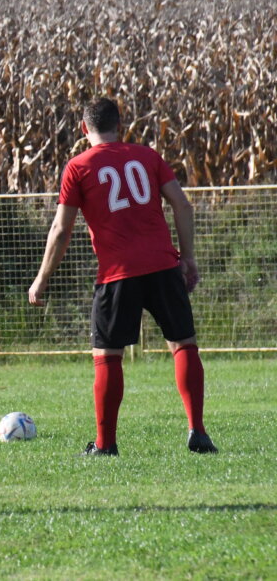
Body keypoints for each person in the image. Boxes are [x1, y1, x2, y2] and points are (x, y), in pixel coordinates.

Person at [28, 97, 218, 457]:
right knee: (183, 344)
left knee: (108, 355)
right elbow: (182, 204)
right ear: (121, 124)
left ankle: (105, 444)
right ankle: (198, 431)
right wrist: (188, 257)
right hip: (163, 266)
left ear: (84, 128)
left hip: (117, 273)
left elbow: (60, 229)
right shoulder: (147, 156)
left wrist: (41, 279)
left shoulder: (78, 166)